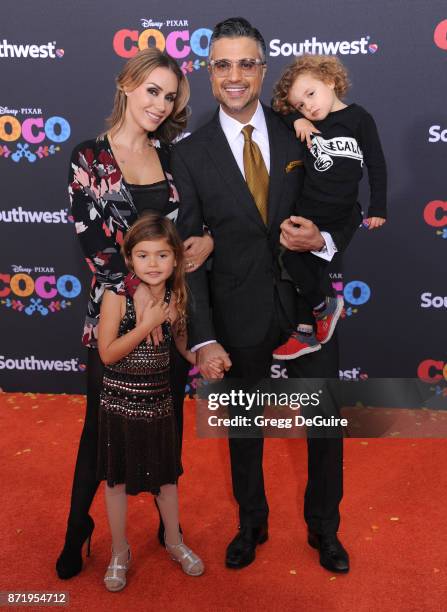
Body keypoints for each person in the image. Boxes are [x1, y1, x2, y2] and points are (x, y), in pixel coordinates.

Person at [173, 17, 360, 573]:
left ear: (263, 69)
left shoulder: (303, 130)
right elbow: (190, 256)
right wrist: (203, 336)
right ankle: (251, 524)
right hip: (236, 312)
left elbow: (347, 207)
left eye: (246, 64)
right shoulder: (189, 154)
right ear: (209, 74)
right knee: (244, 428)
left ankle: (325, 529)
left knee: (325, 427)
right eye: (223, 64)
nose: (235, 76)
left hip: (307, 309)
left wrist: (322, 238)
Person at [56, 48, 214, 580]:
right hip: (114, 320)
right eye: (153, 90)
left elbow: (195, 224)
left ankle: (170, 532)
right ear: (127, 84)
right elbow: (97, 248)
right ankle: (80, 527)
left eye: (170, 97)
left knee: (166, 433)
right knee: (98, 432)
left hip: (171, 324)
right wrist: (143, 304)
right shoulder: (88, 158)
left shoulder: (174, 158)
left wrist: (205, 243)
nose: (161, 104)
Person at [97, 213, 206, 591]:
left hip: (159, 399)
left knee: (167, 478)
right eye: (143, 256)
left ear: (176, 258)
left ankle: (174, 541)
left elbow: (179, 341)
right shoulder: (116, 295)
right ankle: (119, 550)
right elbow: (107, 354)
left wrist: (201, 360)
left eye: (162, 255)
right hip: (120, 400)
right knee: (116, 481)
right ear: (130, 260)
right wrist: (145, 325)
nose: (153, 264)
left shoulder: (176, 295)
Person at [271, 54, 387, 360]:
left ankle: (318, 315)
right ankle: (307, 330)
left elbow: (376, 163)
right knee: (294, 266)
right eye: (300, 104)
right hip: (308, 209)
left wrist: (378, 207)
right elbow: (275, 110)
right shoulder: (305, 123)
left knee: (307, 270)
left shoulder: (358, 118)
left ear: (330, 81)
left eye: (311, 94)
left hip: (340, 215)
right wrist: (296, 118)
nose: (308, 106)